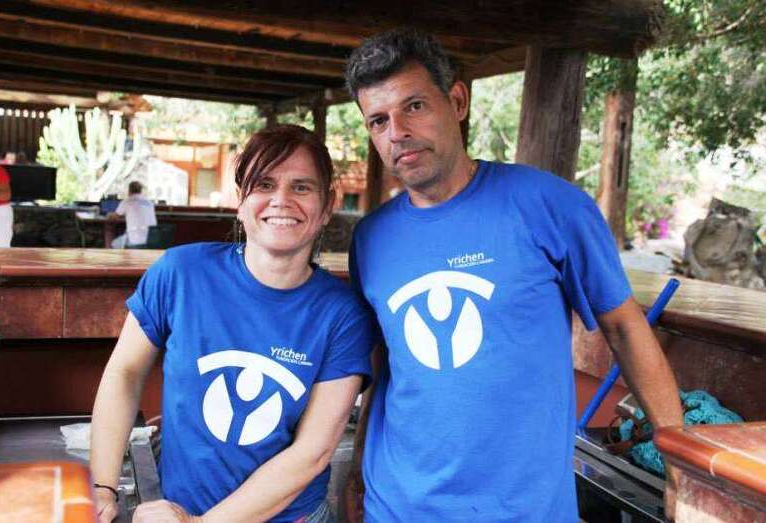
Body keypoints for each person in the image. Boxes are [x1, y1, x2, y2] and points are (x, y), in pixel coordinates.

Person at [343, 29, 684, 522]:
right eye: (378, 120)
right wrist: (357, 467)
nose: (397, 131)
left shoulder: (550, 205)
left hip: (523, 510)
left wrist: (678, 464)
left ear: (457, 101)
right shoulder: (371, 238)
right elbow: (383, 365)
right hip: (397, 506)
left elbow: (625, 328)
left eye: (413, 106)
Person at [91, 125, 375, 523]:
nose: (281, 200)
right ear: (240, 201)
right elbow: (125, 372)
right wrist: (102, 487)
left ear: (327, 205)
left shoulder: (342, 314)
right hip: (181, 511)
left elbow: (312, 452)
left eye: (301, 187)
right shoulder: (181, 272)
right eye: (264, 184)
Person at [110, 180, 157, 248]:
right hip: (150, 239)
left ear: (129, 190)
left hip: (134, 240)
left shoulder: (126, 202)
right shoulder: (149, 203)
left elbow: (114, 217)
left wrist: (109, 215)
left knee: (113, 243)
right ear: (140, 190)